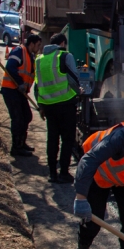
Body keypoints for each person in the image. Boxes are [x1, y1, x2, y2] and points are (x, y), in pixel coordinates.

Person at [35, 33, 79, 184]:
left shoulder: (39, 59)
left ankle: (52, 173)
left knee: (52, 139)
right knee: (67, 140)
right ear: (62, 43)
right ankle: (64, 173)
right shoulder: (64, 56)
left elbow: (37, 85)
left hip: (48, 106)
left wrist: (40, 105)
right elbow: (74, 79)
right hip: (66, 104)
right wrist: (79, 92)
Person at [1, 34, 42, 156]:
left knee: (27, 116)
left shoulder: (30, 56)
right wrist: (20, 83)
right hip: (11, 90)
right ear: (32, 44)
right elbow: (10, 67)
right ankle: (16, 147)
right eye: (38, 45)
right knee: (18, 119)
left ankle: (22, 142)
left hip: (20, 92)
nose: (39, 48)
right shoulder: (19, 51)